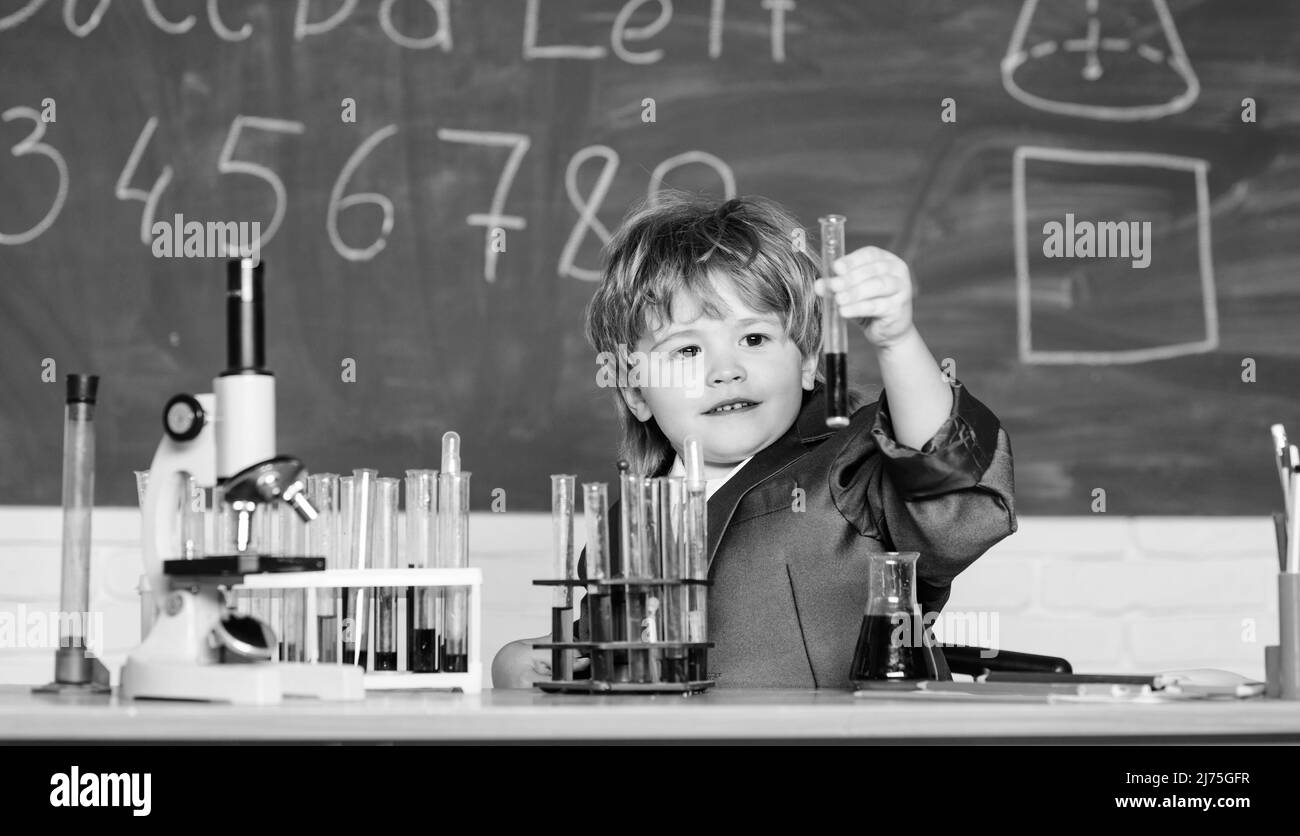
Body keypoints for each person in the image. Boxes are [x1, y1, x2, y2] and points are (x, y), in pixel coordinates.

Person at [492, 192, 1016, 689]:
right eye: (687, 351)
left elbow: (950, 493)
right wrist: (519, 662)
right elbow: (603, 659)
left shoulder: (855, 466)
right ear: (636, 395)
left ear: (809, 360)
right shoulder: (629, 522)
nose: (726, 370)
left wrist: (896, 340)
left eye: (755, 338)